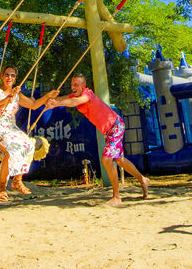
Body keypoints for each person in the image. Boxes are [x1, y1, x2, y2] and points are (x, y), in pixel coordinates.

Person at [45, 73, 150, 206]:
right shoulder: (75, 95)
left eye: (76, 84)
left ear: (84, 86)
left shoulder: (87, 95)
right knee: (119, 160)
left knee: (106, 159)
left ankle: (117, 197)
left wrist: (56, 103)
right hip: (109, 130)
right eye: (72, 84)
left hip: (115, 126)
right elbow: (66, 98)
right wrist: (51, 99)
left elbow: (73, 102)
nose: (72, 87)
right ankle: (142, 179)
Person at [0, 65, 56, 201]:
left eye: (13, 76)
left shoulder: (17, 94)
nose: (9, 78)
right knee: (11, 149)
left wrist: (48, 96)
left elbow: (34, 104)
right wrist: (11, 96)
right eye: (7, 75)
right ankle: (1, 186)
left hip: (11, 127)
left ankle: (17, 180)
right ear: (2, 76)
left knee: (29, 144)